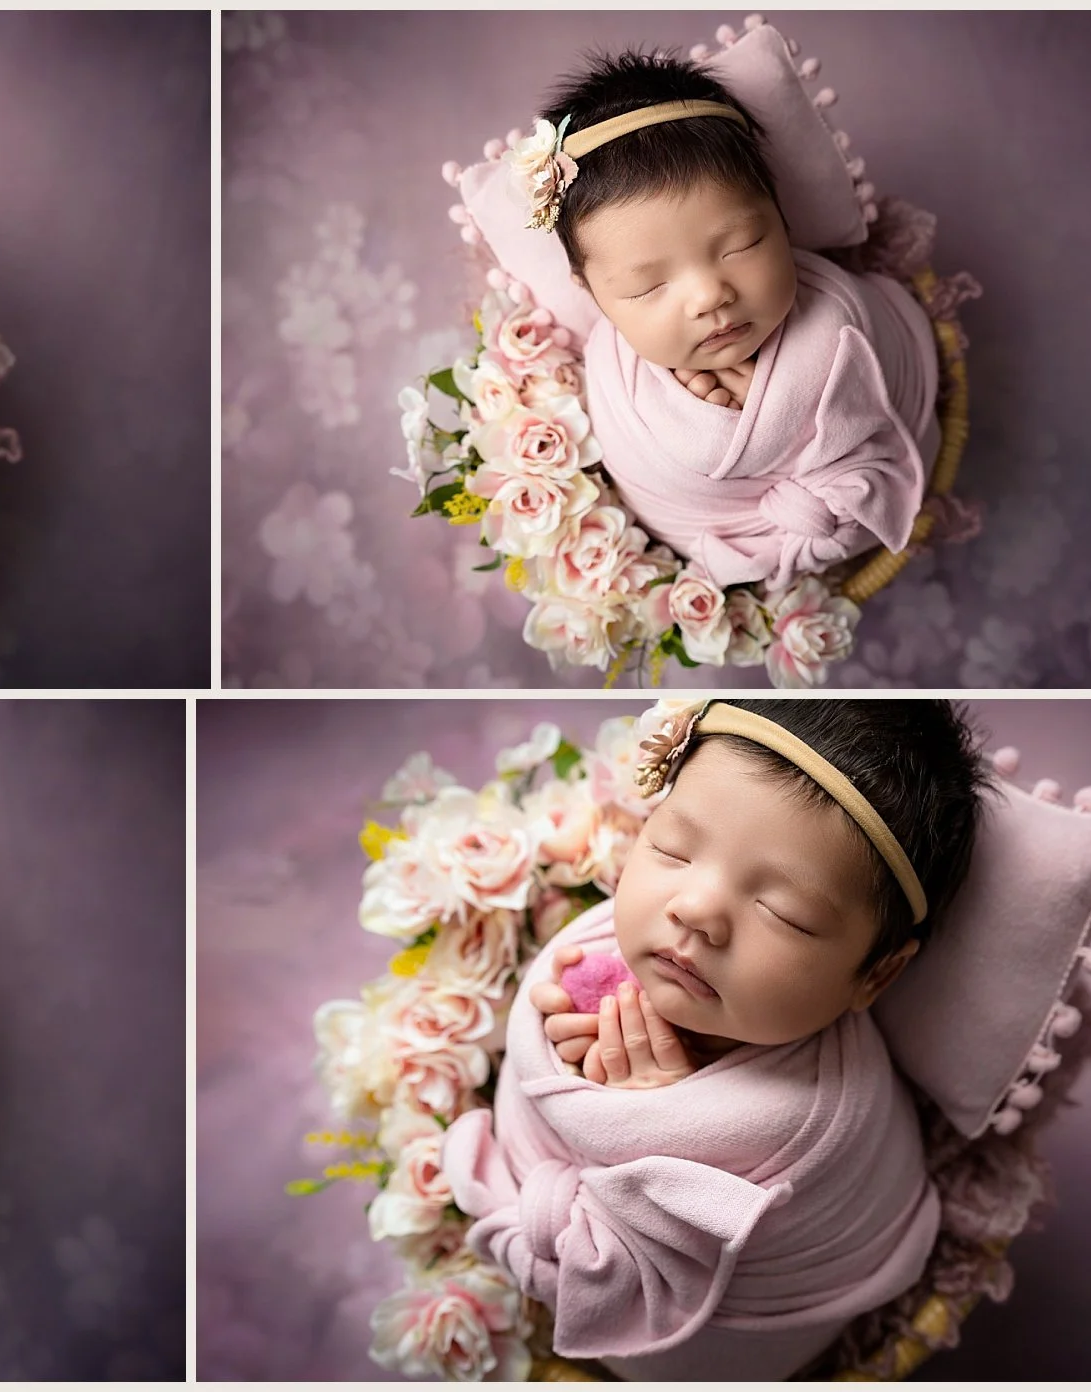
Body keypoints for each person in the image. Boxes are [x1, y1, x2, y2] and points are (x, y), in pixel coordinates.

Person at [441, 699, 991, 1379]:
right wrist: (566, 1070)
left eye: (782, 911)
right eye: (673, 849)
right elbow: (529, 1072)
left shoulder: (814, 1123)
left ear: (876, 975)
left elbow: (701, 1216)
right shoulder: (586, 955)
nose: (696, 911)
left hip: (721, 1332)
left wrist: (648, 1126)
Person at [521, 51, 938, 589]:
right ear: (596, 297)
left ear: (783, 220)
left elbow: (888, 396)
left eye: (742, 245)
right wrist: (717, 429)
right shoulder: (608, 378)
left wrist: (780, 413)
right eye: (648, 286)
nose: (708, 296)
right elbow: (653, 499)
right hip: (727, 554)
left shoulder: (837, 316)